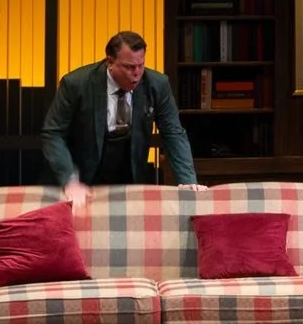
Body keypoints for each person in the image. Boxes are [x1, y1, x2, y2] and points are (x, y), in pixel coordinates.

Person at [41, 31, 206, 210]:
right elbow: (53, 133)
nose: (136, 74)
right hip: (83, 173)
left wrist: (188, 180)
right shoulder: (76, 84)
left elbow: (173, 133)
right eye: (128, 67)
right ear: (109, 62)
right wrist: (71, 180)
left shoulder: (157, 84)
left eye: (140, 65)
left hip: (131, 173)